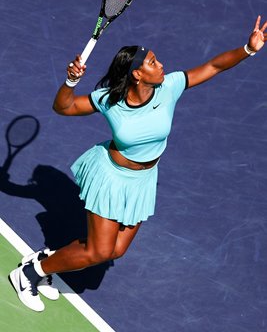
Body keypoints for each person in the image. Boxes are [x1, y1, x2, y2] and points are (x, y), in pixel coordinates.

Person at [9, 16, 267, 311]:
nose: (161, 65)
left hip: (144, 179)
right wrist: (71, 81)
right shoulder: (109, 100)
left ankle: (45, 262)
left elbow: (214, 66)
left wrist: (248, 49)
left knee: (115, 251)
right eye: (153, 63)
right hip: (112, 177)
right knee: (98, 251)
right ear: (136, 75)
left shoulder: (169, 87)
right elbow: (63, 107)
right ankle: (29, 274)